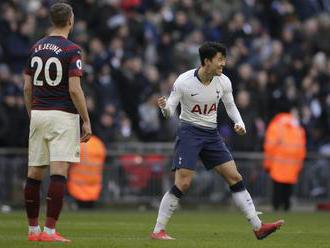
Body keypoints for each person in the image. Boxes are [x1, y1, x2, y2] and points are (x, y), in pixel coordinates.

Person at [151, 42, 284, 240]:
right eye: (220, 59)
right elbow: (170, 110)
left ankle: (258, 227)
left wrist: (239, 123)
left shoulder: (224, 81)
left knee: (235, 177)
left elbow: (231, 107)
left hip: (211, 134)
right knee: (184, 183)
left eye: (224, 59)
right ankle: (158, 230)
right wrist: (163, 107)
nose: (224, 63)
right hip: (189, 132)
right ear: (207, 61)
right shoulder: (183, 81)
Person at [23, 3, 91, 242]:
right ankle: (50, 231)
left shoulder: (36, 46)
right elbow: (75, 89)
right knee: (58, 173)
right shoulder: (72, 50)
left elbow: (27, 87)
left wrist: (33, 113)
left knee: (34, 173)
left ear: (52, 20)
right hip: (62, 115)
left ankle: (33, 231)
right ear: (70, 21)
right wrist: (86, 119)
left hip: (39, 113)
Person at [263, 109, 306, 211]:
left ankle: (276, 207)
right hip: (292, 164)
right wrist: (299, 165)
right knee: (288, 188)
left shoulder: (275, 126)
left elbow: (269, 147)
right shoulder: (298, 128)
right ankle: (286, 207)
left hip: (277, 163)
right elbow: (302, 149)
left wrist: (267, 164)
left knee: (277, 187)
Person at [67, 134, 106, 209]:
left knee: (80, 210)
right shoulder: (99, 143)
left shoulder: (79, 143)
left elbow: (70, 161)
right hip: (94, 184)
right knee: (90, 210)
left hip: (78, 185)